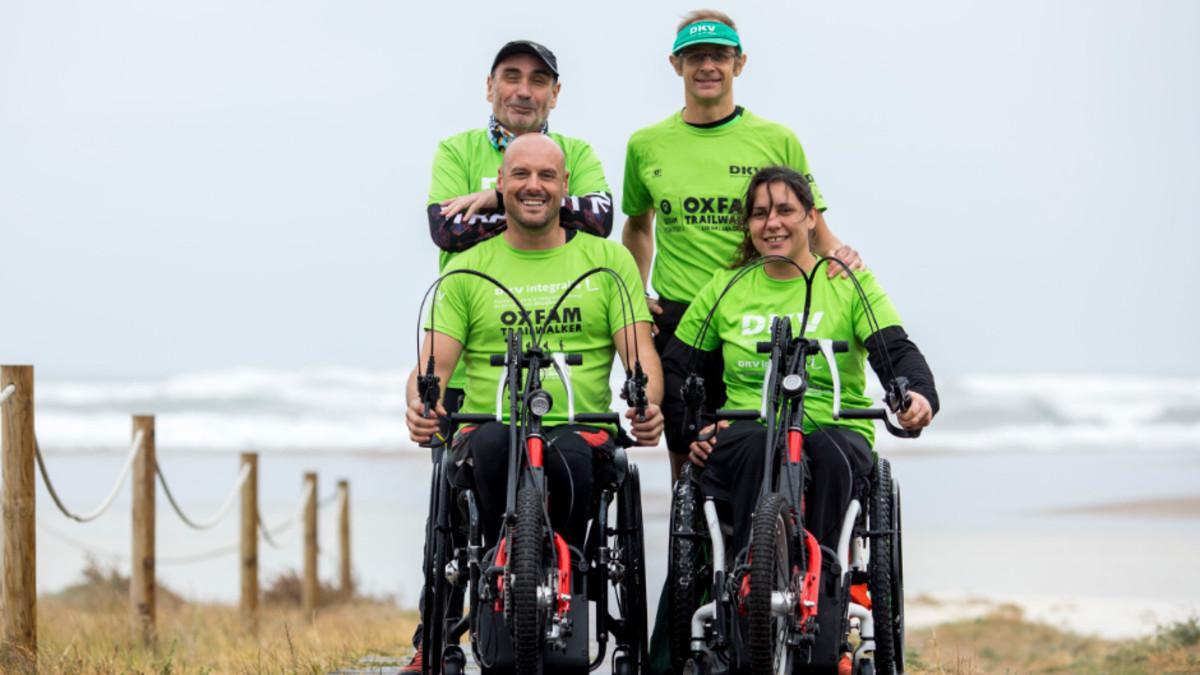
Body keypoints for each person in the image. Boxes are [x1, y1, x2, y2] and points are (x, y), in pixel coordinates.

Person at [406, 134, 663, 671]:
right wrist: (419, 404)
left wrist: (647, 403)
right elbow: (433, 366)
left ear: (564, 187)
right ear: (500, 185)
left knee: (569, 461)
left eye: (547, 176)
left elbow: (641, 357)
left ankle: (559, 577)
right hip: (490, 430)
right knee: (495, 449)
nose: (533, 186)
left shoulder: (608, 261)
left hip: (578, 432)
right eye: (520, 175)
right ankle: (505, 584)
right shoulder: (467, 268)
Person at [664, 165, 937, 669]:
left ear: (811, 217)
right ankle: (750, 590)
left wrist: (916, 396)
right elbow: (680, 372)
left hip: (831, 429)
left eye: (786, 210)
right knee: (748, 446)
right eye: (760, 213)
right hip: (749, 427)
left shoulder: (845, 282)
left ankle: (826, 601)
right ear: (747, 225)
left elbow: (895, 352)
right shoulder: (726, 287)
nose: (773, 223)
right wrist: (694, 429)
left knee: (830, 459)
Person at [620, 9, 864, 481]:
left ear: (740, 63)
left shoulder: (776, 139)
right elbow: (637, 226)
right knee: (688, 464)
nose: (707, 66)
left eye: (719, 56)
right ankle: (690, 553)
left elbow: (813, 224)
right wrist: (636, 292)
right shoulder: (645, 144)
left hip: (755, 313)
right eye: (695, 56)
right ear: (676, 65)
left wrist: (842, 257)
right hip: (681, 317)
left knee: (774, 445)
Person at [427, 39, 615, 439]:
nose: (524, 90)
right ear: (490, 87)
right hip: (466, 361)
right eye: (511, 77)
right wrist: (537, 207)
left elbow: (601, 219)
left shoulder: (576, 154)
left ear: (555, 93)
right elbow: (446, 230)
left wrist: (500, 198)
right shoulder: (457, 152)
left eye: (538, 80)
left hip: (558, 355)